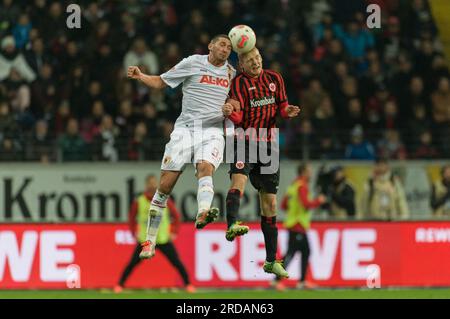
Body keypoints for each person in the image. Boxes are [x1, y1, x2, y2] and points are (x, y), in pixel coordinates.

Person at [127, 34, 235, 259]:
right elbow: (160, 82)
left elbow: (237, 102)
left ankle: (203, 212)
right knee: (165, 187)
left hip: (213, 131)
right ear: (211, 46)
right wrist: (141, 76)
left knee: (205, 168)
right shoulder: (193, 62)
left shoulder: (231, 73)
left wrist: (231, 107)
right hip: (186, 129)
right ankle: (150, 240)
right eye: (222, 44)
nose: (226, 49)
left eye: (229, 47)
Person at [222, 47, 300, 278]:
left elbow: (281, 107)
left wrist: (288, 111)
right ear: (242, 66)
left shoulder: (275, 78)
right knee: (239, 180)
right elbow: (238, 115)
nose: (255, 62)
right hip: (244, 140)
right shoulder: (238, 84)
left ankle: (270, 261)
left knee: (271, 205)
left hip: (269, 144)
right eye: (249, 60)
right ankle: (232, 224)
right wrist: (229, 111)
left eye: (257, 58)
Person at [114, 175, 195, 293]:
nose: (152, 185)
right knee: (133, 263)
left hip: (162, 238)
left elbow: (176, 216)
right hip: (145, 240)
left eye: (154, 183)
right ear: (146, 185)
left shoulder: (164, 199)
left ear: (157, 184)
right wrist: (133, 232)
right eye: (150, 183)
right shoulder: (139, 201)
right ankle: (120, 285)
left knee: (176, 262)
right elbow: (131, 218)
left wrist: (174, 232)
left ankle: (188, 284)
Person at [275, 163, 326, 290]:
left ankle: (302, 281)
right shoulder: (302, 186)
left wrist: (293, 211)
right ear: (303, 172)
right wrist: (318, 201)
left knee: (305, 251)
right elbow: (306, 204)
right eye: (309, 171)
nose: (311, 173)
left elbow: (284, 205)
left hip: (294, 224)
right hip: (298, 224)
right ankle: (276, 281)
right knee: (291, 253)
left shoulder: (293, 185)